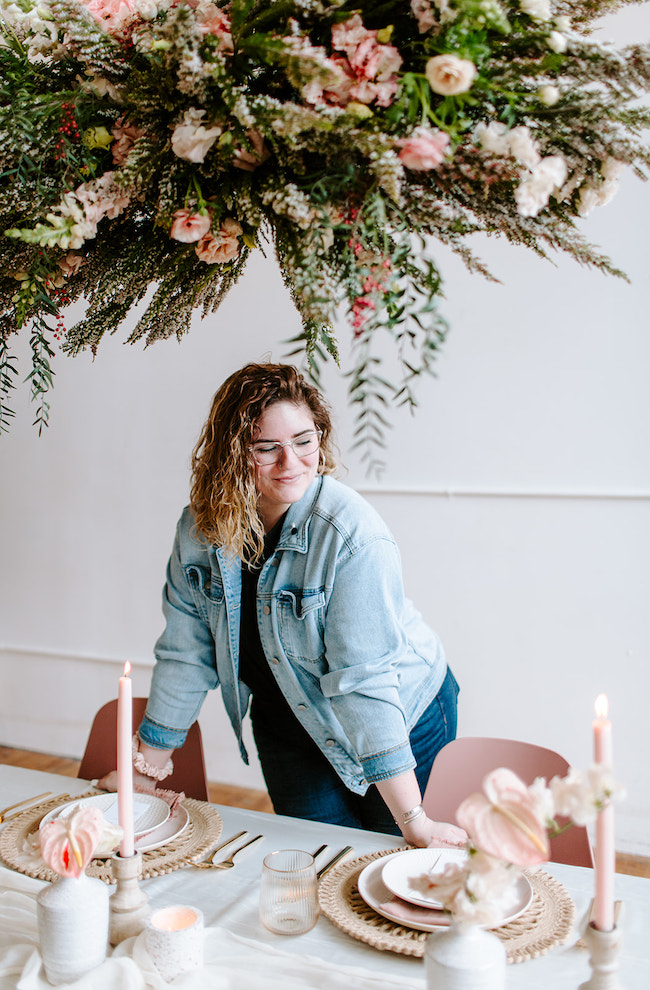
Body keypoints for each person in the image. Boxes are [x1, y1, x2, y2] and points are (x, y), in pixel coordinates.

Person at [99, 363, 466, 848]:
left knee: (389, 859)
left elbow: (364, 680)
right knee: (318, 859)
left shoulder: (352, 535)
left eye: (303, 441)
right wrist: (146, 771)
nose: (289, 462)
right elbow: (186, 654)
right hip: (286, 721)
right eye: (266, 447)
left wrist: (414, 821)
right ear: (233, 452)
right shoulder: (198, 531)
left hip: (397, 711)